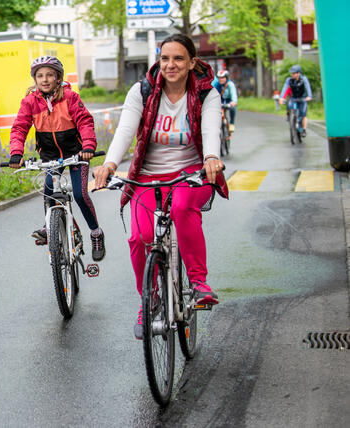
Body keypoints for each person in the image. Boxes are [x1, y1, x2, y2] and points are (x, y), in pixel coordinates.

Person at [93, 34, 229, 340]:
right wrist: (110, 165)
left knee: (181, 209)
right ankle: (149, 298)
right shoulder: (142, 91)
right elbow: (126, 129)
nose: (171, 65)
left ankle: (198, 283)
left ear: (192, 63)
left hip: (191, 174)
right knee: (139, 237)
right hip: (148, 177)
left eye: (179, 59)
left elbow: (211, 130)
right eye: (165, 58)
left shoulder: (206, 93)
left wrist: (211, 158)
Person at [8, 55, 106, 261]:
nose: (44, 79)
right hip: (50, 154)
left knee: (79, 195)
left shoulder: (70, 97)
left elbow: (85, 121)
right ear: (35, 79)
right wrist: (16, 152)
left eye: (49, 75)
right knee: (49, 191)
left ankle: (96, 233)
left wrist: (88, 146)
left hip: (77, 153)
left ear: (58, 78)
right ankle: (50, 226)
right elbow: (19, 128)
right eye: (40, 75)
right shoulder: (29, 102)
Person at [278, 64, 313, 137]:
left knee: (303, 114)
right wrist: (281, 97)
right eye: (291, 73)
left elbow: (308, 87)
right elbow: (285, 88)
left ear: (298, 73)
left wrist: (309, 96)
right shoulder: (289, 80)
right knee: (291, 107)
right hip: (293, 98)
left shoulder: (304, 79)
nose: (292, 74)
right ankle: (292, 119)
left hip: (302, 98)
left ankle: (303, 130)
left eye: (294, 73)